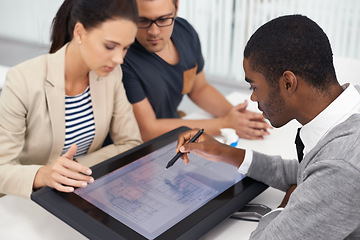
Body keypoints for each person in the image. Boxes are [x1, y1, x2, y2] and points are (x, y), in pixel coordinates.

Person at [176, 15, 360, 239]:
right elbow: (306, 172)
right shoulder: (351, 108)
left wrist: (287, 203)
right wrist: (225, 153)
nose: (253, 97)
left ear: (288, 83)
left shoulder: (341, 169)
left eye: (254, 86)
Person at [0, 0, 142, 199]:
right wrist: (43, 174)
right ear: (79, 33)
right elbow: (2, 168)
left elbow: (130, 143)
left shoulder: (111, 75)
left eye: (126, 48)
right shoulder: (22, 80)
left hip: (79, 193)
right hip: (25, 200)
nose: (120, 59)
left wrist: (73, 170)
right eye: (110, 46)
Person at [121, 0, 272, 142]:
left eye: (163, 19)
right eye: (143, 20)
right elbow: (147, 130)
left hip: (174, 135)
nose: (153, 31)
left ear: (176, 7)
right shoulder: (122, 56)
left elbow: (199, 89)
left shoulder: (185, 32)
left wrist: (237, 116)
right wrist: (224, 124)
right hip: (141, 147)